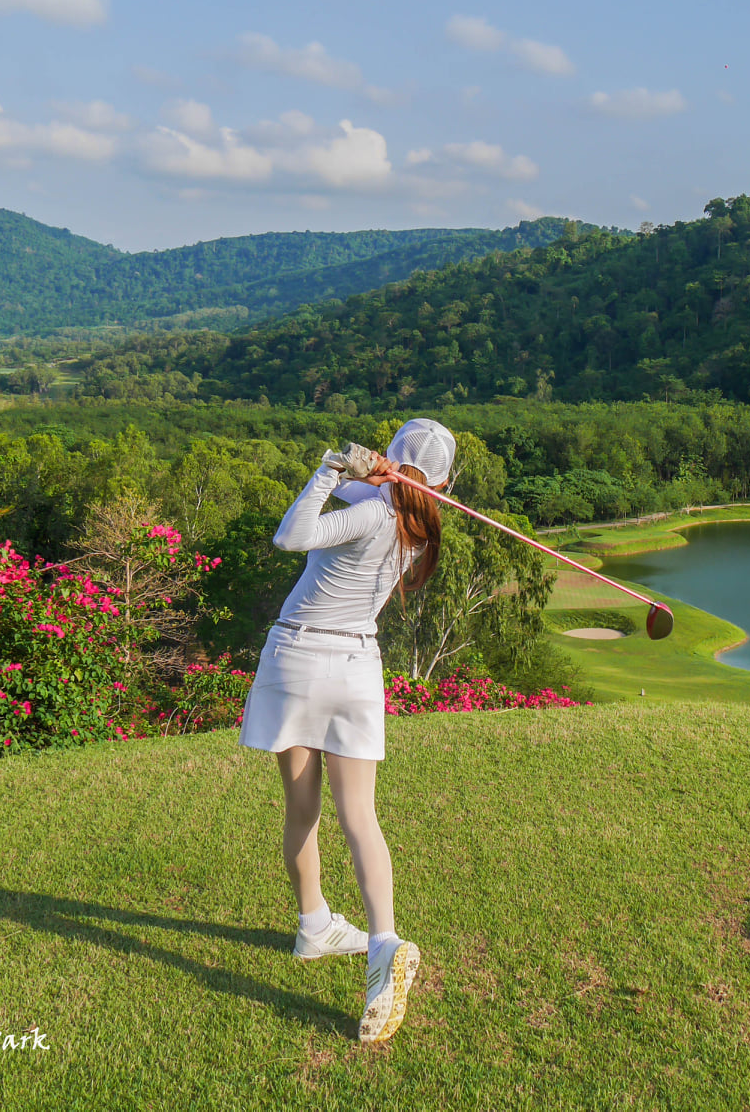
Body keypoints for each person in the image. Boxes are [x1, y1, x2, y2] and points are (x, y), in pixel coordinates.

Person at [237, 418, 456, 1044]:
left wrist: (331, 467)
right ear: (443, 480)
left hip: (299, 659)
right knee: (359, 814)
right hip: (358, 663)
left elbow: (292, 534)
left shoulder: (372, 511)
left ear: (391, 457)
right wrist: (370, 475)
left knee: (301, 809)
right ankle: (353, 933)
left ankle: (335, 930)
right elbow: (376, 494)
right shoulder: (420, 519)